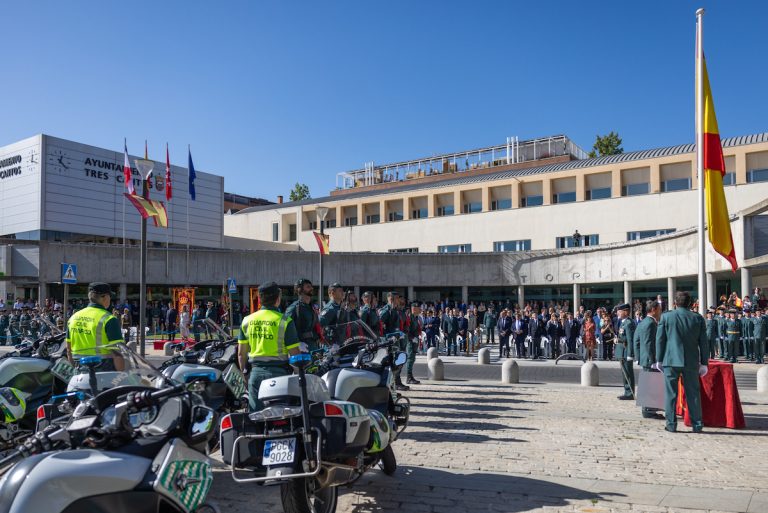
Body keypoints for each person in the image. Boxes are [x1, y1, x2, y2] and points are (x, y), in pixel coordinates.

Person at [238, 282, 301, 412]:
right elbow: (295, 354)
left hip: (255, 375)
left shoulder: (247, 320)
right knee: (280, 416)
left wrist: (244, 374)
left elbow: (241, 354)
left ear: (260, 299)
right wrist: (299, 376)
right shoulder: (285, 321)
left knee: (255, 416)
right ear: (278, 299)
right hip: (279, 375)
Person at [655, 291, 708, 433]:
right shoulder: (698, 318)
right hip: (691, 361)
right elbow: (704, 342)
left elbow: (660, 340)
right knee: (693, 394)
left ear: (675, 303)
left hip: (671, 360)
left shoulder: (666, 317)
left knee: (670, 394)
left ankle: (671, 424)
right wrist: (704, 362)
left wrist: (659, 359)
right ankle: (697, 424)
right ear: (690, 303)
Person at [65, 282, 124, 371]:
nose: (110, 299)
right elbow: (117, 354)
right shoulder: (109, 319)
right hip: (103, 372)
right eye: (109, 296)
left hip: (79, 372)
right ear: (104, 297)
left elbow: (69, 351)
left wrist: (76, 370)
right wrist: (121, 376)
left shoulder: (73, 317)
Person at [634, 300, 663, 419]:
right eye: (659, 309)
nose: (661, 311)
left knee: (648, 383)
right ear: (654, 310)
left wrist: (638, 357)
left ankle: (648, 409)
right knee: (650, 384)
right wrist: (653, 361)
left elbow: (636, 340)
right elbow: (648, 343)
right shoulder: (650, 323)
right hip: (650, 359)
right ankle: (648, 411)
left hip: (646, 358)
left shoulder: (644, 322)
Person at [286, 279, 322, 352]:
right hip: (301, 350)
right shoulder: (294, 308)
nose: (311, 288)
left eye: (311, 287)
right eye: (308, 287)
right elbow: (284, 328)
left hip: (314, 348)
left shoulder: (312, 307)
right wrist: (297, 343)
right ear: (300, 290)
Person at [615, 303, 635, 400]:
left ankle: (630, 392)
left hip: (626, 351)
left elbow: (630, 340)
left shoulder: (629, 323)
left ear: (626, 312)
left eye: (619, 311)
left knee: (628, 373)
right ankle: (627, 391)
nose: (617, 313)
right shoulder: (623, 322)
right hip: (622, 351)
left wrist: (630, 354)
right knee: (624, 373)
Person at [405, 302, 422, 384]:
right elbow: (407, 330)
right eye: (419, 308)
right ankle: (408, 377)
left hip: (414, 340)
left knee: (412, 358)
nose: (421, 309)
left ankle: (410, 376)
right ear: (414, 309)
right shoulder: (409, 317)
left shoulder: (415, 317)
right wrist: (412, 338)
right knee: (410, 358)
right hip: (410, 341)